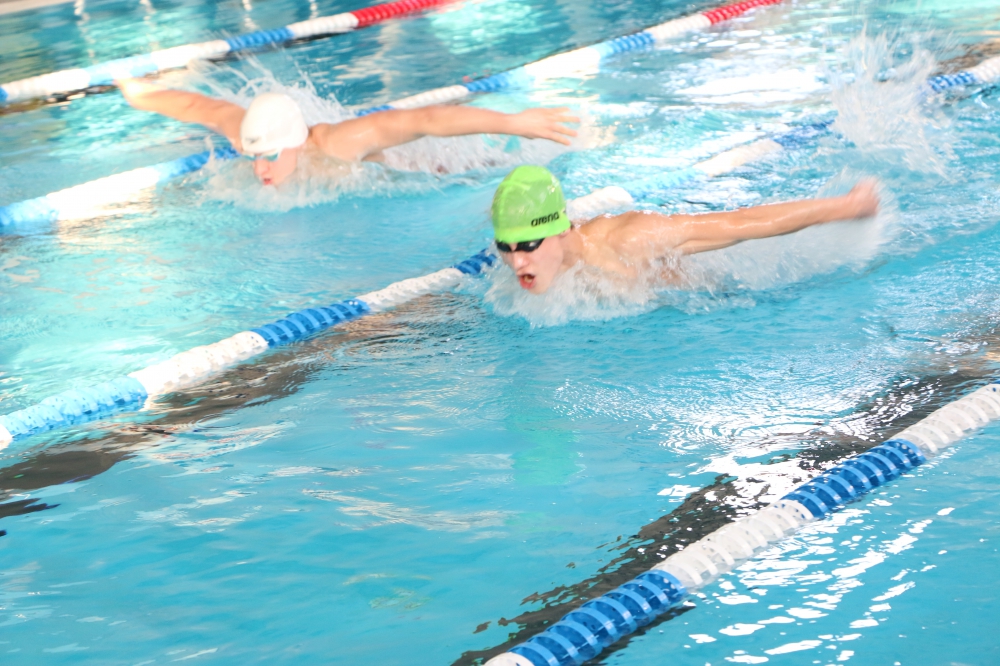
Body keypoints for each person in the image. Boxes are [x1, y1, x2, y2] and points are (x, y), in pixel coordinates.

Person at [117, 78, 579, 187]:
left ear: (296, 142)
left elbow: (425, 121)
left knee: (468, 166)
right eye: (256, 156)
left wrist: (513, 123)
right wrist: (137, 94)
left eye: (271, 157)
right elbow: (201, 106)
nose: (259, 167)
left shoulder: (340, 143)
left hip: (415, 168)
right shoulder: (250, 134)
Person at [491, 166, 880, 293]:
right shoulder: (535, 269)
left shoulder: (627, 239)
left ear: (559, 230)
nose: (515, 260)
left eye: (526, 244)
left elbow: (741, 223)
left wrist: (847, 206)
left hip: (717, 299)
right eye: (504, 248)